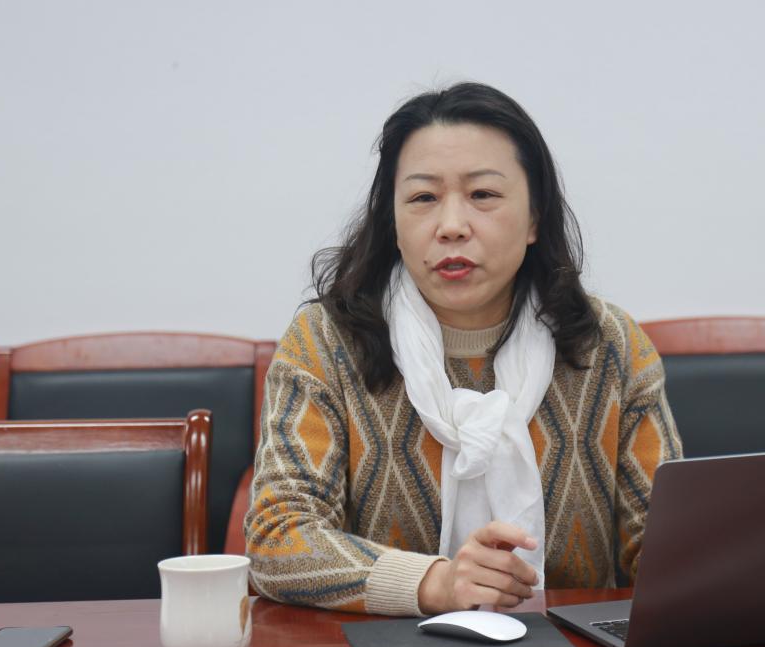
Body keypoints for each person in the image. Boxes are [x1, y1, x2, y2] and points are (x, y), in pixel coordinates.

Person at [245, 82, 682, 616]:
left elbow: (669, 543)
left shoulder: (610, 344)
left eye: (483, 195)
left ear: (534, 218)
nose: (451, 226)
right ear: (393, 223)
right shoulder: (324, 343)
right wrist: (434, 583)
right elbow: (277, 538)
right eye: (423, 198)